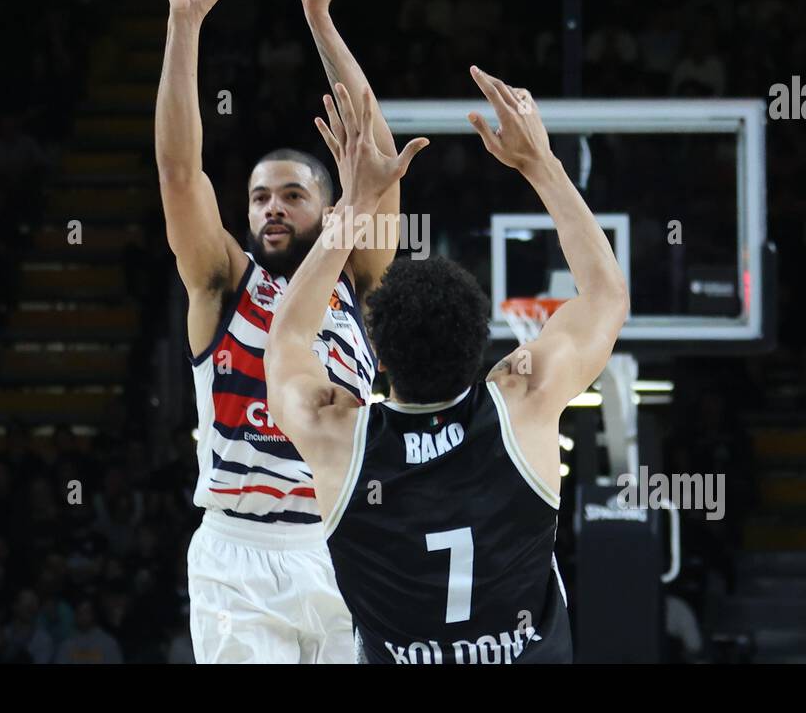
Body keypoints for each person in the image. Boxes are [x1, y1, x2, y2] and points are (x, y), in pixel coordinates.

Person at [265, 69, 629, 663]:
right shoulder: (523, 403)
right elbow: (607, 296)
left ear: (375, 355)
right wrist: (541, 163)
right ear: (486, 346)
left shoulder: (340, 438)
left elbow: (286, 339)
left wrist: (353, 208)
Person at [156, 0, 401, 663]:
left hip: (338, 545)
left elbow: (377, 158)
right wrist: (184, 22)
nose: (270, 208)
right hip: (238, 555)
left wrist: (322, 20)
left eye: (291, 194)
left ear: (329, 210)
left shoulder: (359, 280)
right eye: (260, 196)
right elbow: (178, 172)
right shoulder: (223, 282)